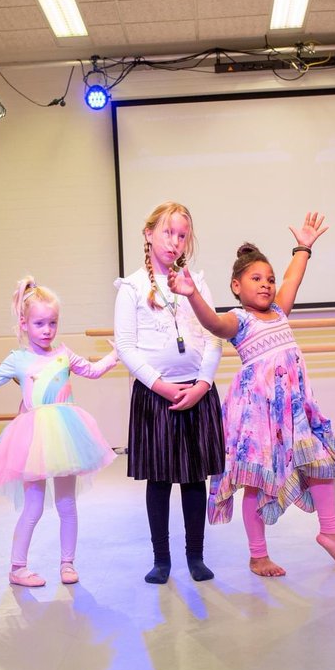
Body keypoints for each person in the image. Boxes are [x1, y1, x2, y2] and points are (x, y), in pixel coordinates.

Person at [169, 214, 335, 576]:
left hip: (294, 411)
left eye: (269, 280)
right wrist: (192, 294)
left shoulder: (278, 312)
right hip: (258, 414)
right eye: (256, 279)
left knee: (320, 463)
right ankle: (258, 555)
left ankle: (331, 532)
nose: (267, 285)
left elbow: (292, 277)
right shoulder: (240, 319)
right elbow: (212, 324)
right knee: (255, 482)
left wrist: (303, 246)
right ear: (236, 286)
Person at [0, 277, 117, 587]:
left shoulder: (64, 354)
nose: (47, 330)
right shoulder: (18, 359)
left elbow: (92, 370)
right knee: (34, 506)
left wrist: (115, 356)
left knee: (67, 504)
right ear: (24, 323)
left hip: (67, 436)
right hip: (33, 437)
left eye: (52, 323)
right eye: (39, 323)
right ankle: (17, 567)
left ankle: (67, 563)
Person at [113, 202, 225, 584]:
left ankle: (196, 556)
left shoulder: (197, 283)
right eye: (167, 232)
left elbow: (214, 335)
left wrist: (202, 385)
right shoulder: (131, 287)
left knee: (194, 480)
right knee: (159, 481)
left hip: (197, 393)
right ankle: (162, 559)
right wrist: (160, 386)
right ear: (148, 234)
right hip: (155, 396)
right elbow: (126, 347)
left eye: (182, 235)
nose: (174, 242)